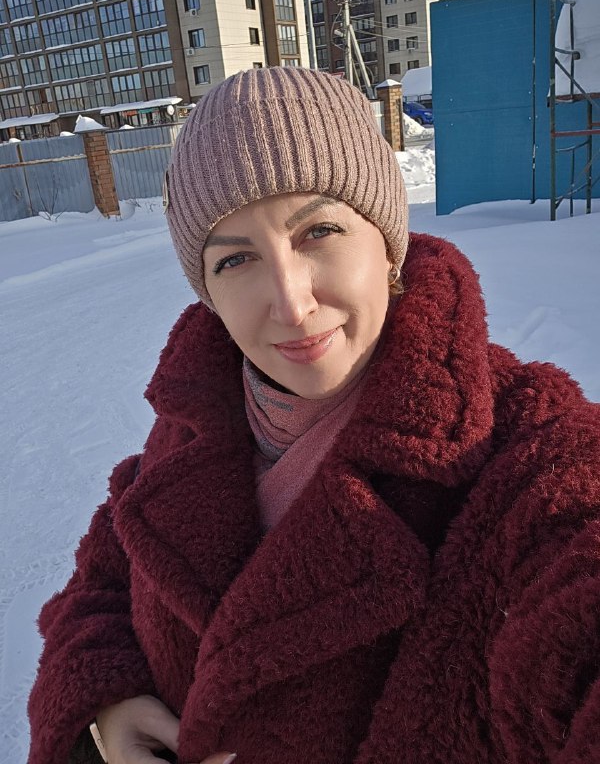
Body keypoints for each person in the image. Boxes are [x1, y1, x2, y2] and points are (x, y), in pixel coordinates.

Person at [27, 67, 599, 764]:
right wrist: (101, 705)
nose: (291, 305)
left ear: (386, 241)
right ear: (206, 291)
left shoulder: (531, 454)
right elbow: (107, 576)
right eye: (235, 260)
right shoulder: (197, 421)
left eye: (319, 230)